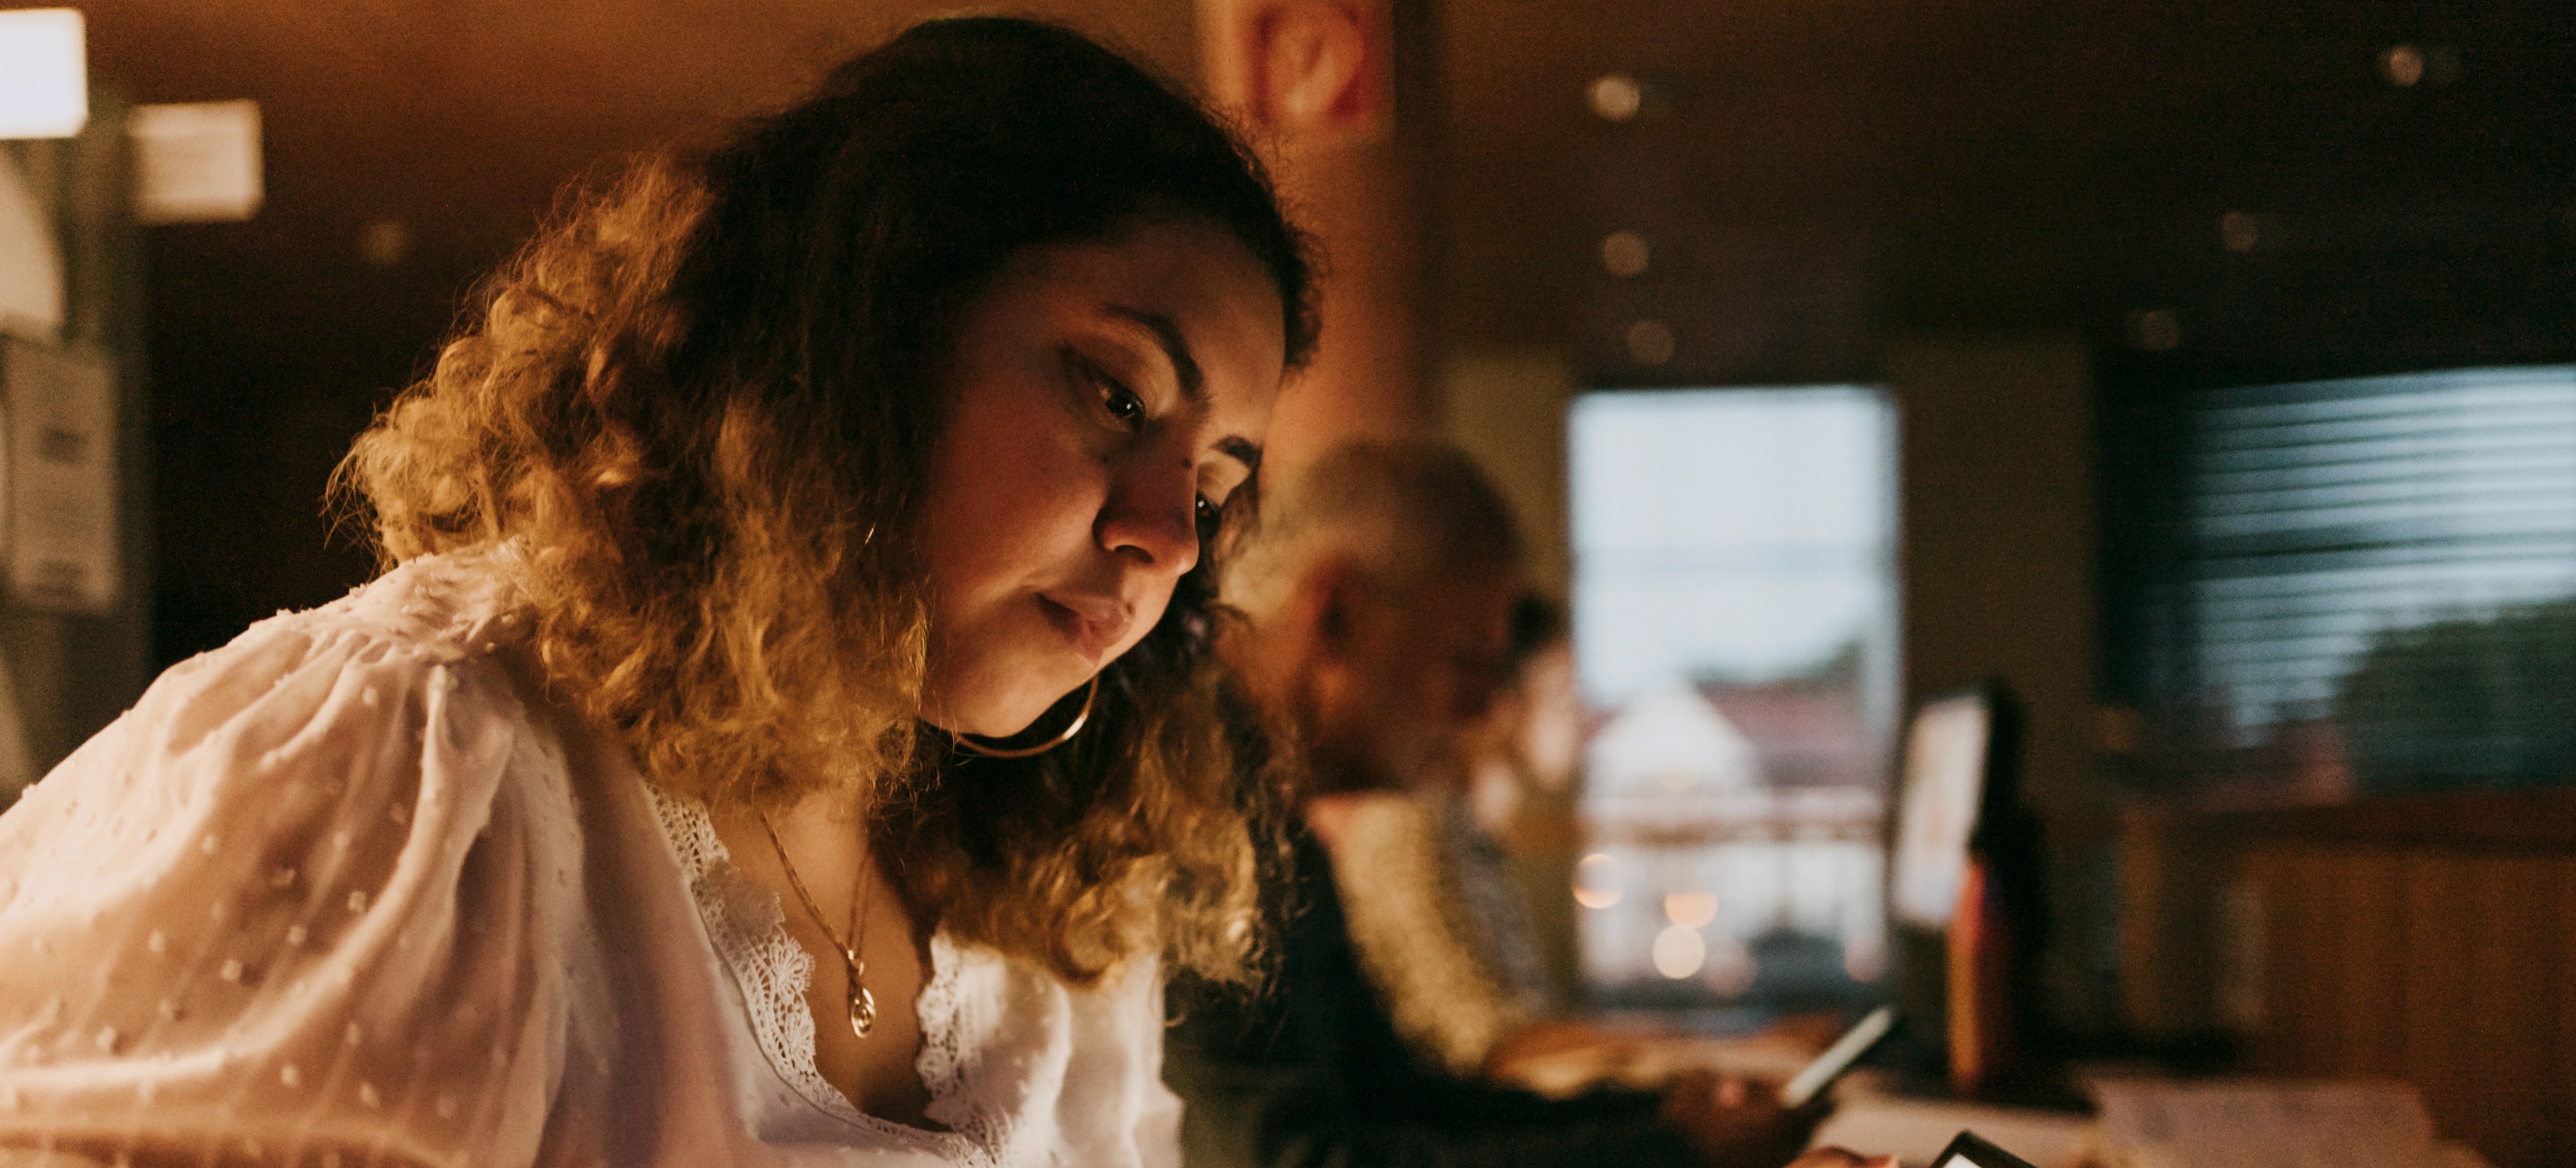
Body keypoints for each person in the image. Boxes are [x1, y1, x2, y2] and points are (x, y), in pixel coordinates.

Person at [0, 17, 1315, 1166]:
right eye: (1116, 394)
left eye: (1208, 485)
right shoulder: (432, 758)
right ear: (868, 324)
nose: (1168, 539)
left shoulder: (1059, 903)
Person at [1169, 439, 1874, 1168]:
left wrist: (1663, 1115)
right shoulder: (1185, 803)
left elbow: (1400, 1098)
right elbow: (1286, 1160)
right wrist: (1670, 1151)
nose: (1483, 710)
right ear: (1337, 614)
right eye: (1468, 660)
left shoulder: (1270, 819)